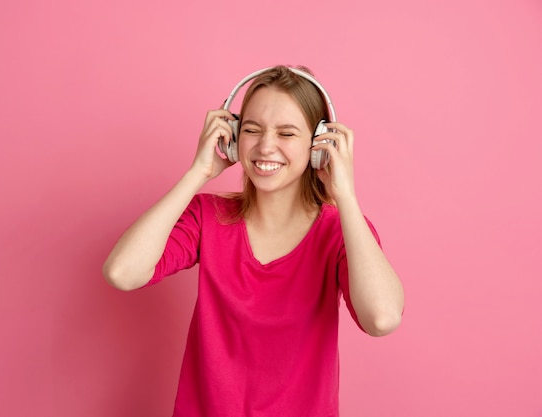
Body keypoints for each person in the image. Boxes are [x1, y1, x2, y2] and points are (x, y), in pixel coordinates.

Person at [103, 65, 404, 417]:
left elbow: (381, 319)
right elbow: (122, 272)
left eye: (287, 133)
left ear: (320, 145)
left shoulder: (342, 232)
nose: (265, 146)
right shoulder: (207, 216)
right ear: (231, 135)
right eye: (251, 129)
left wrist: (346, 196)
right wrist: (198, 172)